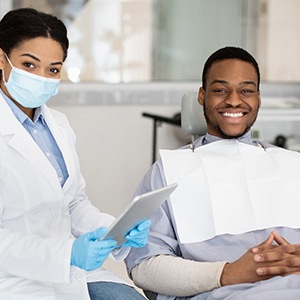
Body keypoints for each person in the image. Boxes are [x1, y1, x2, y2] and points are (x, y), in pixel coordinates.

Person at [125, 46, 300, 300]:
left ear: (258, 98)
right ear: (202, 96)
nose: (233, 100)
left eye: (246, 91)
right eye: (220, 90)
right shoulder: (168, 172)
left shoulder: (291, 164)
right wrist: (226, 273)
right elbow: (144, 268)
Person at [0, 7, 150, 300]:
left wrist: (112, 230)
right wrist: (67, 253)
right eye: (29, 65)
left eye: (53, 69)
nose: (42, 77)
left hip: (70, 275)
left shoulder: (58, 126)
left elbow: (72, 204)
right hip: (12, 281)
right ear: (1, 59)